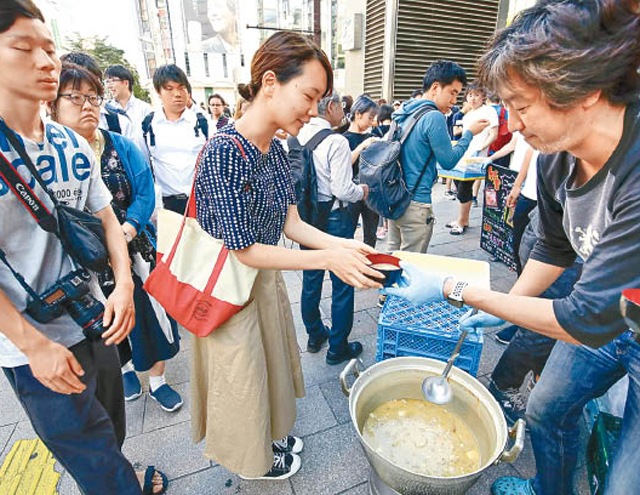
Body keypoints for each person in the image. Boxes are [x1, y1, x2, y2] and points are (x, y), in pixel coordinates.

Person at [385, 1, 640, 494]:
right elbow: (554, 247)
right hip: (610, 320)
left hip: (612, 317)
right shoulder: (556, 161)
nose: (515, 125)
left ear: (584, 88)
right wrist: (515, 305)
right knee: (545, 409)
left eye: (522, 107)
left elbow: (585, 316)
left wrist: (459, 289)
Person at [191, 31, 382, 481]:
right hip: (229, 289)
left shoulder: (275, 147)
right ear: (270, 82)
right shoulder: (224, 150)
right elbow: (242, 250)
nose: (313, 109)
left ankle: (270, 435)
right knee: (244, 377)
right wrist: (328, 261)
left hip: (264, 279)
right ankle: (252, 457)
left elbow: (291, 226)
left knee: (270, 363)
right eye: (309, 95)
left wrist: (345, 244)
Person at [0, 2, 167, 493]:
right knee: (90, 455)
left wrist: (122, 288)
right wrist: (33, 346)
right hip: (33, 343)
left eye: (49, 48)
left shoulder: (72, 143)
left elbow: (107, 219)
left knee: (110, 427)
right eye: (23, 48)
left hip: (95, 317)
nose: (47, 61)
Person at [50, 62, 183, 413]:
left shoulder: (121, 145)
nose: (88, 105)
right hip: (86, 267)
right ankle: (124, 371)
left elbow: (144, 192)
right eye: (75, 97)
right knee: (105, 323)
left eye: (93, 97)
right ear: (53, 104)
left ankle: (158, 380)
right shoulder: (51, 159)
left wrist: (130, 227)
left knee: (150, 318)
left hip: (133, 250)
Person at [297, 91, 371, 365]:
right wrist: (361, 191)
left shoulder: (296, 136)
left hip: (306, 219)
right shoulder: (336, 140)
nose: (344, 111)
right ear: (330, 106)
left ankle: (315, 334)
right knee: (342, 283)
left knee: (311, 280)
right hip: (335, 219)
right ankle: (338, 347)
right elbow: (342, 188)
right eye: (341, 105)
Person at [387, 60, 488, 254]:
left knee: (392, 256)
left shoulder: (405, 111)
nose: (454, 100)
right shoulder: (433, 117)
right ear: (435, 87)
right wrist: (468, 134)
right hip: (416, 203)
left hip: (394, 197)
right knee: (411, 264)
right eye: (453, 93)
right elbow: (448, 162)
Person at [141, 64, 208, 215]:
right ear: (158, 92)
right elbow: (144, 166)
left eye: (182, 88)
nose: (177, 94)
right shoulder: (147, 126)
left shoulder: (203, 122)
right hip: (167, 205)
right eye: (169, 89)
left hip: (202, 202)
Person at [445, 82, 498, 234]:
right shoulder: (468, 115)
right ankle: (463, 219)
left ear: (483, 96)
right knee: (459, 187)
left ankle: (461, 223)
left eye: (476, 95)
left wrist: (480, 149)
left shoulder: (489, 111)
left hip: (476, 159)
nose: (473, 98)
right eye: (470, 95)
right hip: (463, 156)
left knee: (464, 189)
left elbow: (494, 134)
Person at [343, 95, 380, 248]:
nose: (372, 122)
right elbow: (345, 164)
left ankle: (369, 265)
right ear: (357, 114)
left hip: (371, 191)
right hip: (351, 192)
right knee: (347, 234)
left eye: (373, 118)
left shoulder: (372, 136)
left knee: (371, 235)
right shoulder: (342, 139)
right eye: (370, 117)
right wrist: (362, 146)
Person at [104, 64, 153, 141]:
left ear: (126, 83)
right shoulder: (107, 110)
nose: (109, 86)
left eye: (113, 80)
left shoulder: (144, 109)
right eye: (107, 81)